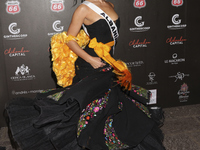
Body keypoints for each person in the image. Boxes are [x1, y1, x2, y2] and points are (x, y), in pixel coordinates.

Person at [5, 0, 166, 150]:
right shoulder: (84, 8)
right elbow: (69, 40)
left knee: (110, 105)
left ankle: (106, 138)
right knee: (90, 107)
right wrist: (90, 59)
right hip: (90, 64)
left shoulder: (109, 4)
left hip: (109, 61)